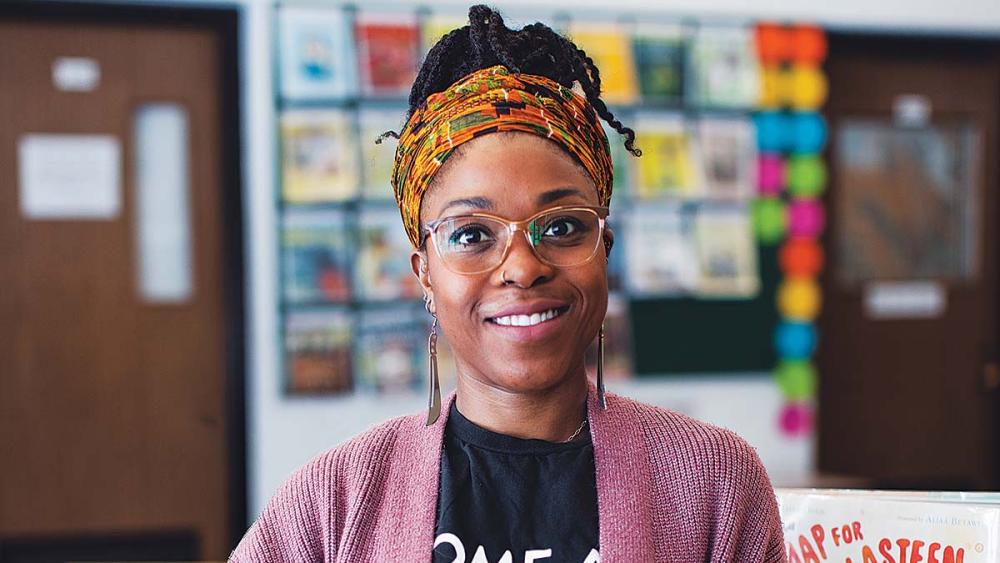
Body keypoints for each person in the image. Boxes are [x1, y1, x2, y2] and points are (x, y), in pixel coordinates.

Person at [231, 5, 786, 562]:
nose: (522, 267)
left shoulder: (714, 486)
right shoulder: (333, 503)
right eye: (472, 235)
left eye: (563, 226)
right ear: (424, 272)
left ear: (605, 253)